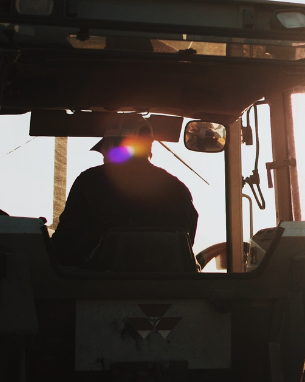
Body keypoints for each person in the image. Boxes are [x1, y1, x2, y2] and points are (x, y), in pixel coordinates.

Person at [50, 114, 198, 267]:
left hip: (99, 287)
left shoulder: (89, 182)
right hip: (171, 288)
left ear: (110, 144)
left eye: (103, 149)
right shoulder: (178, 189)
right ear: (149, 147)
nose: (103, 157)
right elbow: (185, 245)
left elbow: (65, 247)